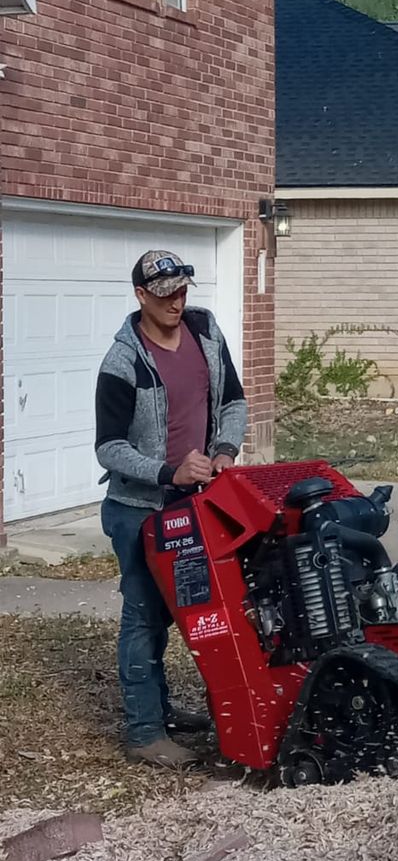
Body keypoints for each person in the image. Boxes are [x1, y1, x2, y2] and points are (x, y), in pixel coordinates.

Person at [95, 250, 248, 767]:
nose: (176, 303)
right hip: (138, 508)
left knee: (184, 609)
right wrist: (168, 472)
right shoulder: (123, 361)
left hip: (192, 505)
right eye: (164, 295)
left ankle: (161, 708)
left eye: (182, 292)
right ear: (141, 296)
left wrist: (225, 449)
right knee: (143, 616)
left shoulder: (205, 331)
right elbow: (108, 448)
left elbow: (233, 401)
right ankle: (144, 733)